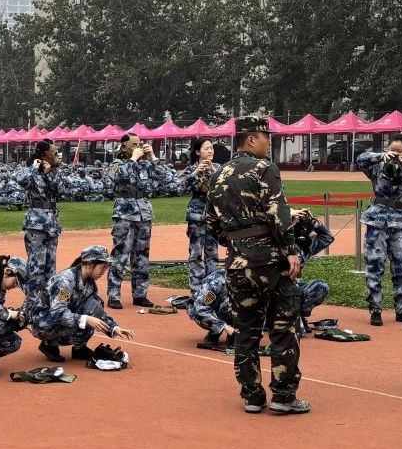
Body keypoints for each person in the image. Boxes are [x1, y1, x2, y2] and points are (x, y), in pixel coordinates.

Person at [204, 116, 309, 415]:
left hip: (237, 264)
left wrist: (238, 243)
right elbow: (279, 214)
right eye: (266, 137)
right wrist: (290, 251)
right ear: (251, 139)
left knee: (246, 331)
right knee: (283, 329)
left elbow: (211, 222)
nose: (269, 143)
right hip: (270, 262)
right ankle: (284, 395)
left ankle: (252, 396)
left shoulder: (218, 174)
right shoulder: (265, 169)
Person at [356, 133, 402, 326]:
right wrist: (382, 156)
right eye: (392, 150)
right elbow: (360, 159)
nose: (396, 155)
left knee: (401, 267)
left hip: (400, 223)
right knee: (374, 264)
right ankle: (375, 309)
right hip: (377, 221)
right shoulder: (377, 165)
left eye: (400, 152)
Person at [105, 132, 176, 309]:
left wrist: (153, 156)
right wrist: (132, 160)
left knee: (142, 256)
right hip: (125, 214)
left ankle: (140, 294)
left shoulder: (145, 165)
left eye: (139, 144)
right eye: (134, 144)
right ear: (124, 147)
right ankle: (113, 295)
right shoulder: (117, 163)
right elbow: (117, 176)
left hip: (144, 213)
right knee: (120, 254)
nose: (138, 147)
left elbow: (165, 177)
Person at [28, 245, 133, 363]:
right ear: (89, 264)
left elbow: (96, 311)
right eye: (103, 266)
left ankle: (79, 348)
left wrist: (113, 327)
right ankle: (48, 345)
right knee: (85, 319)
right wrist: (86, 319)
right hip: (43, 322)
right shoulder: (65, 281)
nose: (105, 271)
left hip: (59, 316)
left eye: (107, 266)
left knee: (95, 305)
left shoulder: (88, 282)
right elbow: (57, 312)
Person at [16, 140, 62, 306]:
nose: (56, 156)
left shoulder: (54, 171)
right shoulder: (31, 170)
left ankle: (47, 301)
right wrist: (34, 168)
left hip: (51, 223)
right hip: (36, 223)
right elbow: (22, 181)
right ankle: (32, 303)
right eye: (53, 153)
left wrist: (49, 173)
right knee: (36, 265)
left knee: (50, 266)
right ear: (43, 155)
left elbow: (61, 189)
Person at [177, 138, 223, 297]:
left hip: (213, 216)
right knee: (196, 253)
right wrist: (195, 172)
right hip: (196, 215)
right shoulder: (191, 169)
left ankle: (211, 290)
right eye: (206, 148)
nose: (210, 151)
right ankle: (196, 291)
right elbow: (180, 188)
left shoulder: (218, 168)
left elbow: (226, 188)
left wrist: (213, 171)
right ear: (197, 152)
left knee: (212, 254)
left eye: (211, 148)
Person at [290, 209, 334, 331]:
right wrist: (289, 220)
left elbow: (327, 237)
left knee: (321, 287)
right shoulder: (281, 243)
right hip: (277, 290)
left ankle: (300, 315)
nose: (302, 229)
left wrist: (313, 221)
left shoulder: (308, 244)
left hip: (296, 288)